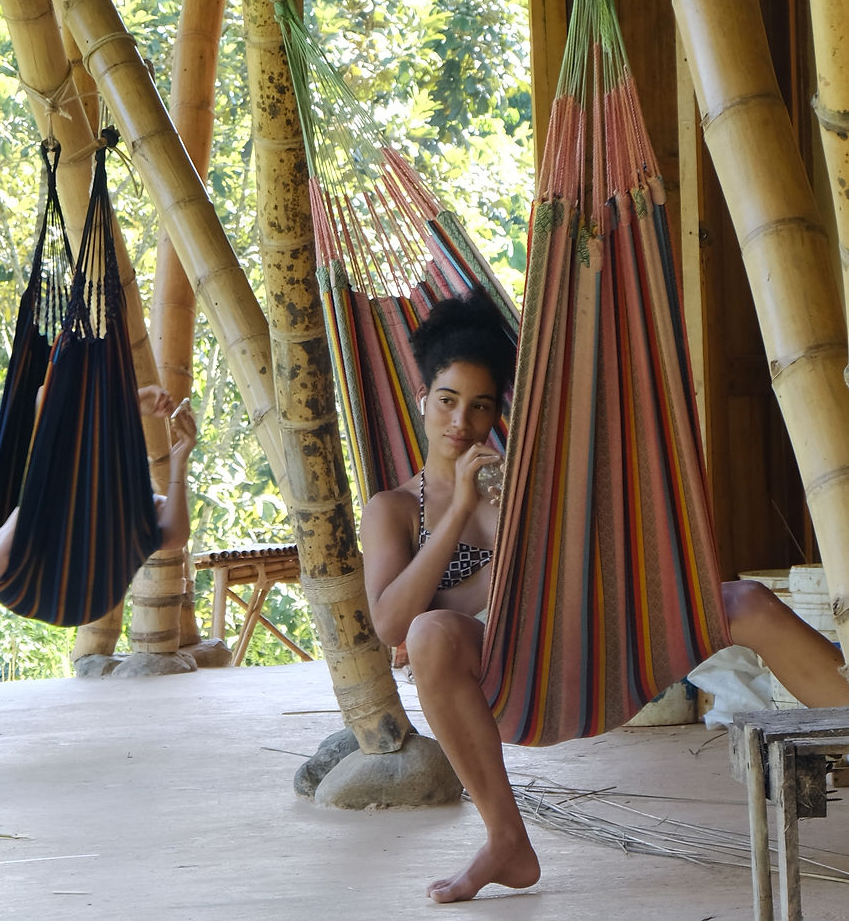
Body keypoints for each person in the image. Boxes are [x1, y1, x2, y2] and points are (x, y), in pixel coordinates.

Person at [359, 288, 849, 906]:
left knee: (745, 600)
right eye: (449, 401)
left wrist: (527, 530)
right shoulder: (395, 510)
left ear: (497, 415)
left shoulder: (523, 485)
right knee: (429, 633)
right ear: (423, 398)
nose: (461, 422)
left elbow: (583, 577)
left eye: (480, 407)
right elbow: (393, 623)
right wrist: (458, 511)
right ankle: (506, 840)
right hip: (502, 685)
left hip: (585, 657)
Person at [0, 385, 197, 740]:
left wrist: (180, 458)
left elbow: (176, 535)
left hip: (84, 589)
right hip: (42, 579)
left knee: (21, 515)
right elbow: (47, 395)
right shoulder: (64, 472)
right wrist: (131, 400)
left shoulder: (137, 503)